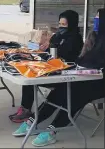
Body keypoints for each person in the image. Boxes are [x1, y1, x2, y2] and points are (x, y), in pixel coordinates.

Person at [12, 8, 105, 147]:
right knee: (61, 90)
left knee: (75, 96)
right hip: (84, 77)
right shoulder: (94, 37)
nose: (96, 21)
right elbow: (82, 59)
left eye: (99, 18)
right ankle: (33, 121)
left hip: (99, 83)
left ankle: (52, 130)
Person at [9, 10, 84, 123]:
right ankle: (25, 109)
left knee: (32, 80)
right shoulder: (57, 36)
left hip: (63, 74)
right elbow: (47, 52)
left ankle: (30, 114)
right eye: (59, 24)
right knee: (29, 77)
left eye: (64, 25)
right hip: (50, 68)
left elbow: (68, 57)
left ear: (72, 24)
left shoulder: (76, 40)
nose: (61, 27)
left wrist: (53, 51)